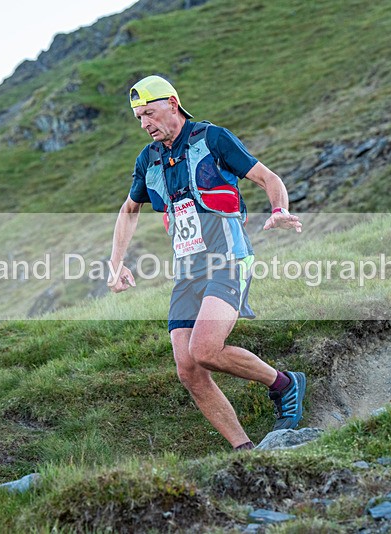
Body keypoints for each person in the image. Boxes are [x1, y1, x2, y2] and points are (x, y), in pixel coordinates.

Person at [108, 75, 305, 450]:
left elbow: (267, 177)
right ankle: (245, 450)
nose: (145, 123)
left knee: (205, 349)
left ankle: (284, 384)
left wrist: (280, 209)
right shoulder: (148, 160)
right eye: (139, 118)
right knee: (188, 368)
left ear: (173, 103)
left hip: (228, 258)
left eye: (149, 112)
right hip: (187, 272)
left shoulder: (212, 138)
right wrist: (116, 263)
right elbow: (129, 209)